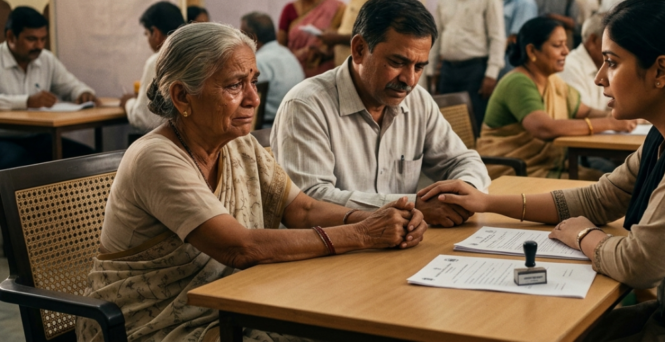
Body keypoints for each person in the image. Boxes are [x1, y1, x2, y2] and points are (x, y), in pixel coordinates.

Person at [421, 0, 665, 340]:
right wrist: (487, 203)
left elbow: (640, 265)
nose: (599, 77)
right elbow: (601, 198)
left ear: (661, 71)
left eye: (612, 62)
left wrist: (582, 235)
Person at [77, 22, 426, 342]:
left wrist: (382, 218)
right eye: (234, 85)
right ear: (182, 96)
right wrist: (364, 235)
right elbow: (239, 248)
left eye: (253, 81)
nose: (254, 99)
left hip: (233, 303)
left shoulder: (238, 143)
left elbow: (302, 210)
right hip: (151, 326)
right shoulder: (155, 157)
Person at [272, 0, 491, 227]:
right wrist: (414, 205)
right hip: (328, 252)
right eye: (397, 63)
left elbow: (462, 161)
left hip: (397, 245)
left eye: (419, 67)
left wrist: (463, 194)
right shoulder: (307, 106)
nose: (409, 80)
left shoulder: (417, 100)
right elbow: (310, 201)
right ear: (359, 50)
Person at [477, 17, 635, 179]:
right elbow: (544, 128)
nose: (566, 51)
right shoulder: (518, 82)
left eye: (565, 44)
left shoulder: (552, 81)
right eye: (557, 45)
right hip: (514, 172)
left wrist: (622, 116)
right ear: (532, 51)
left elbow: (585, 111)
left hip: (547, 166)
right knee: (613, 189)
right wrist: (608, 123)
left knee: (617, 184)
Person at [0, 7, 97, 169]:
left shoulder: (46, 59)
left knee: (87, 159)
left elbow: (70, 84)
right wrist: (27, 101)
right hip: (4, 137)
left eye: (43, 39)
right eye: (31, 39)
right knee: (21, 164)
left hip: (38, 135)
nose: (39, 45)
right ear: (11, 36)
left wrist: (83, 92)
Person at [427, 0, 506, 125]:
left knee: (473, 123)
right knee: (446, 124)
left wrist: (491, 74)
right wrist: (431, 70)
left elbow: (497, 37)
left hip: (475, 70)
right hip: (447, 69)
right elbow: (436, 36)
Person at [120, 1, 185, 133]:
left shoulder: (158, 60)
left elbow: (144, 120)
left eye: (147, 34)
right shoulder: (194, 54)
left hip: (168, 142)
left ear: (155, 33)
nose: (148, 40)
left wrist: (129, 103)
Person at [277, 0, 345, 77]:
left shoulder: (336, 7)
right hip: (295, 72)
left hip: (328, 71)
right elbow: (281, 47)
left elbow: (343, 40)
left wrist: (324, 53)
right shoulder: (289, 9)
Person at [241, 12, 304, 125]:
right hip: (296, 121)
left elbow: (247, 100)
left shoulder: (258, 61)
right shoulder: (288, 54)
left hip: (268, 128)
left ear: (252, 37)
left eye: (242, 35)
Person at [559, 13, 610, 110]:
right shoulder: (569, 66)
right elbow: (584, 114)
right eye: (614, 43)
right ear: (593, 40)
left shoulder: (609, 65)